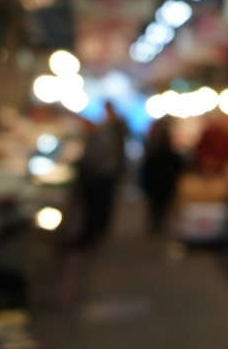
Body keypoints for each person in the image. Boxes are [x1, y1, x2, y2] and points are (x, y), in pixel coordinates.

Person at [75, 101, 128, 246]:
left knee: (96, 206)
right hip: (105, 173)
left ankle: (92, 235)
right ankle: (97, 231)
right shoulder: (108, 129)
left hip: (101, 174)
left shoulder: (107, 131)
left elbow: (98, 157)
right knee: (100, 205)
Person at [139, 118, 183, 235]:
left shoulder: (154, 153)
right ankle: (159, 224)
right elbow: (179, 168)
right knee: (164, 204)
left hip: (155, 183)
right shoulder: (173, 155)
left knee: (155, 205)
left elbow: (146, 167)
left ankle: (155, 223)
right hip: (167, 183)